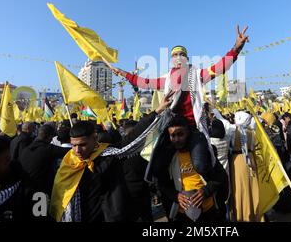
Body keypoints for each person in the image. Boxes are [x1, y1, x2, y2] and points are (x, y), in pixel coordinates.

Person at [49, 93, 172, 222]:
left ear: (95, 138)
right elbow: (59, 196)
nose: (77, 150)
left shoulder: (109, 155)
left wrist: (157, 111)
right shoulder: (69, 162)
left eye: (82, 145)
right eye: (74, 145)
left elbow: (133, 137)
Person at [110, 26, 249, 136]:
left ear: (187, 59)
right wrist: (125, 74)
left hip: (193, 128)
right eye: (175, 55)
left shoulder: (198, 74)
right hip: (172, 128)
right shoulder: (166, 80)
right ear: (171, 60)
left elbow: (220, 67)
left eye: (182, 54)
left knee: (201, 163)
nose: (178, 57)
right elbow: (144, 82)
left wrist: (236, 48)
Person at [152, 116, 228, 223]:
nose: (177, 139)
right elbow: (161, 184)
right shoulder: (169, 158)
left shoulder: (202, 154)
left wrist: (205, 191)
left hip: (208, 212)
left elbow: (221, 176)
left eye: (180, 134)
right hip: (182, 214)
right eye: (173, 135)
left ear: (188, 132)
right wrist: (176, 196)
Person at [19, 124, 70, 196]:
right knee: (42, 207)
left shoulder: (26, 149)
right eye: (51, 137)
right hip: (40, 192)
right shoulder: (47, 149)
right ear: (49, 137)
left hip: (25, 190)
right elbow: (68, 151)